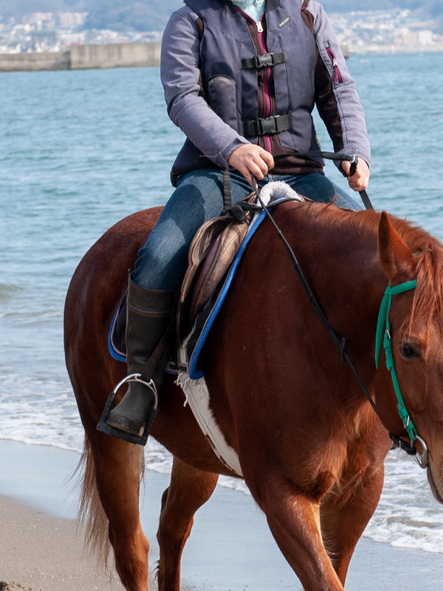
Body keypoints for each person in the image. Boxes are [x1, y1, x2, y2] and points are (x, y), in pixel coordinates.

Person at [98, 0, 371, 444]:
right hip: (216, 170)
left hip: (302, 171)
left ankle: (374, 385)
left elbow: (337, 88)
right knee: (159, 254)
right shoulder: (190, 20)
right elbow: (183, 98)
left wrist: (355, 148)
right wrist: (232, 148)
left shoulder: (307, 13)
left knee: (373, 253)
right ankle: (141, 383)